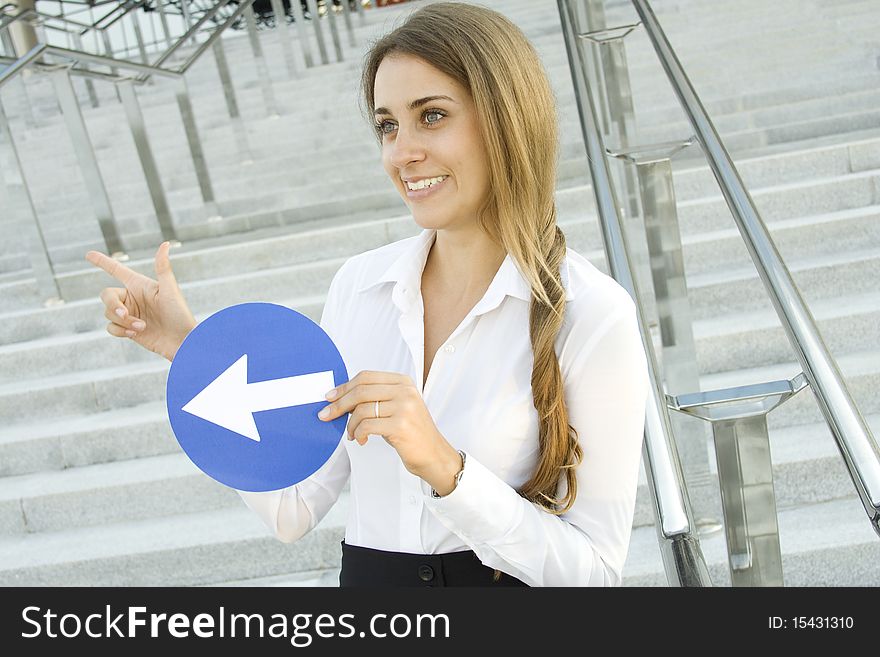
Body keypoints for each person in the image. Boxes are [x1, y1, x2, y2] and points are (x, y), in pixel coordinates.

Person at [86, 2, 649, 587]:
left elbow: (596, 576)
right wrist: (196, 353)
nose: (401, 152)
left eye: (431, 116)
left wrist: (447, 469)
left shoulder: (592, 313)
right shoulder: (359, 286)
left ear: (507, 119)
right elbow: (293, 508)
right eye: (387, 125)